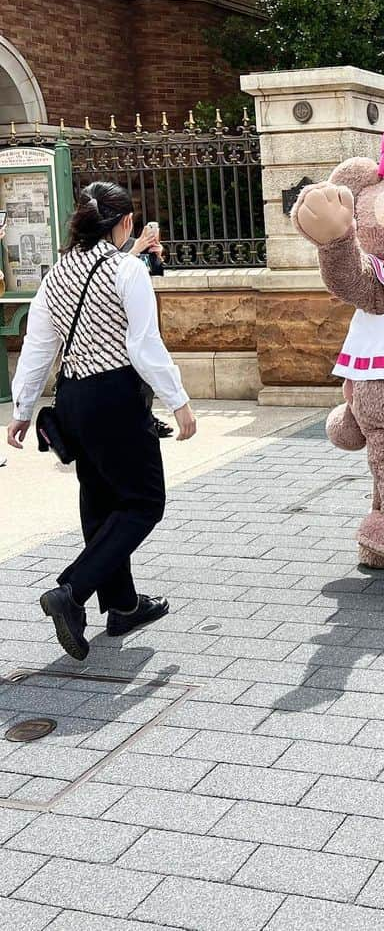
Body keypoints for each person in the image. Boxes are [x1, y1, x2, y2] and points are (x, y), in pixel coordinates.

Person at [7, 182, 196, 661]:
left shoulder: (55, 275)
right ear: (125, 223)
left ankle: (124, 605)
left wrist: (22, 408)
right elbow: (143, 346)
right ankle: (71, 591)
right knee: (143, 501)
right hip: (115, 397)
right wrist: (179, 400)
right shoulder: (127, 270)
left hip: (73, 399)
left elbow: (38, 348)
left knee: (101, 504)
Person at [123, 221, 174, 439]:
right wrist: (134, 251)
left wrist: (157, 256)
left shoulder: (137, 245)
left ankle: (146, 417)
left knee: (145, 372)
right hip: (117, 323)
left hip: (141, 317)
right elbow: (110, 273)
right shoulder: (107, 251)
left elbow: (155, 273)